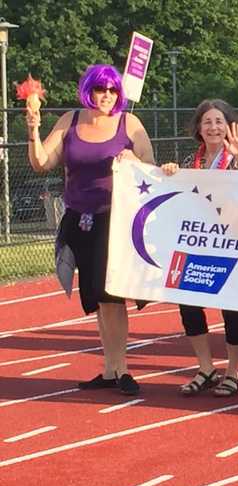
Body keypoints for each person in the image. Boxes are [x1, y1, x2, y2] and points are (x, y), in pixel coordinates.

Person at [26, 64, 154, 395]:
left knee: (112, 296)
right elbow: (42, 163)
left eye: (112, 90)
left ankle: (122, 368)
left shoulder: (130, 123)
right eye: (101, 89)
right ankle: (109, 369)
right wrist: (33, 130)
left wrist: (132, 160)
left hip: (114, 218)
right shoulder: (69, 120)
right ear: (89, 91)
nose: (107, 96)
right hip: (78, 218)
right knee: (96, 298)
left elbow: (152, 169)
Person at [160, 99, 238, 396]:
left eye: (219, 122)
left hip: (229, 245)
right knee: (188, 306)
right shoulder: (190, 163)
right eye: (207, 122)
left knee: (233, 310)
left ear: (228, 126)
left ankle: (233, 371)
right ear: (199, 128)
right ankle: (205, 367)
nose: (213, 127)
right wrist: (168, 173)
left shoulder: (237, 157)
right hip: (196, 243)